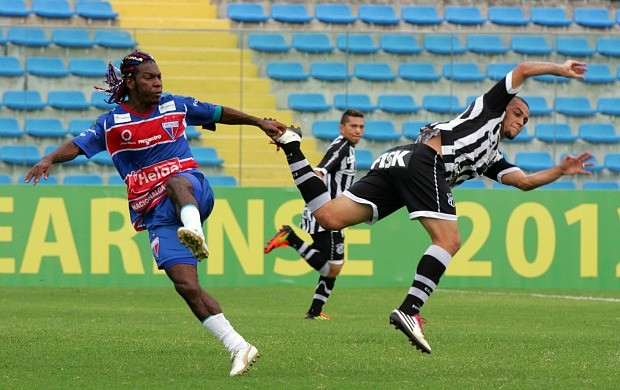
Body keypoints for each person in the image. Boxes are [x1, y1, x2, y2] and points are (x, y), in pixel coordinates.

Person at [269, 60, 594, 354]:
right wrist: (560, 69)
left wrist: (560, 171)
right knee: (449, 240)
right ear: (506, 107)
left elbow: (523, 181)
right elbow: (522, 69)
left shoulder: (490, 156)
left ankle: (292, 148)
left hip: (399, 160)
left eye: (526, 120)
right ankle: (410, 310)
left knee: (328, 218)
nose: (521, 122)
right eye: (518, 113)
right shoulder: (490, 110)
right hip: (425, 161)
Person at [24, 50, 288, 376]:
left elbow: (218, 112)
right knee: (186, 285)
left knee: (174, 181)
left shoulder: (175, 106)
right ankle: (238, 346)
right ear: (131, 82)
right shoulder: (112, 123)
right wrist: (49, 158)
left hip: (191, 189)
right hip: (155, 213)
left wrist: (258, 122)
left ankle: (195, 232)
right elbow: (78, 145)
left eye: (159, 77)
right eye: (150, 78)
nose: (158, 83)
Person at [264, 109, 365, 320]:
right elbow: (320, 171)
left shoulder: (346, 147)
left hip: (331, 213)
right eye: (353, 126)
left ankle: (315, 311)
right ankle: (290, 237)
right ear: (342, 128)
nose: (358, 131)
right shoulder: (342, 148)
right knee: (333, 268)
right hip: (329, 214)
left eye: (361, 127)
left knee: (330, 266)